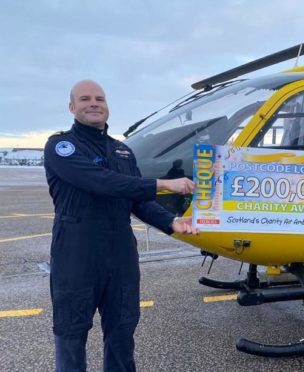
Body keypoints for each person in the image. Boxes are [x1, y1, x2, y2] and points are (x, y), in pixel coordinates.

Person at [44, 80, 199, 372]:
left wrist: (172, 221)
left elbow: (135, 199)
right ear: (71, 107)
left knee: (122, 331)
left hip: (120, 254)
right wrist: (163, 184)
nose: (93, 103)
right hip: (77, 253)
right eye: (85, 99)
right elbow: (101, 182)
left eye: (99, 99)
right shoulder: (61, 146)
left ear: (107, 106)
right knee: (71, 332)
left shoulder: (122, 152)